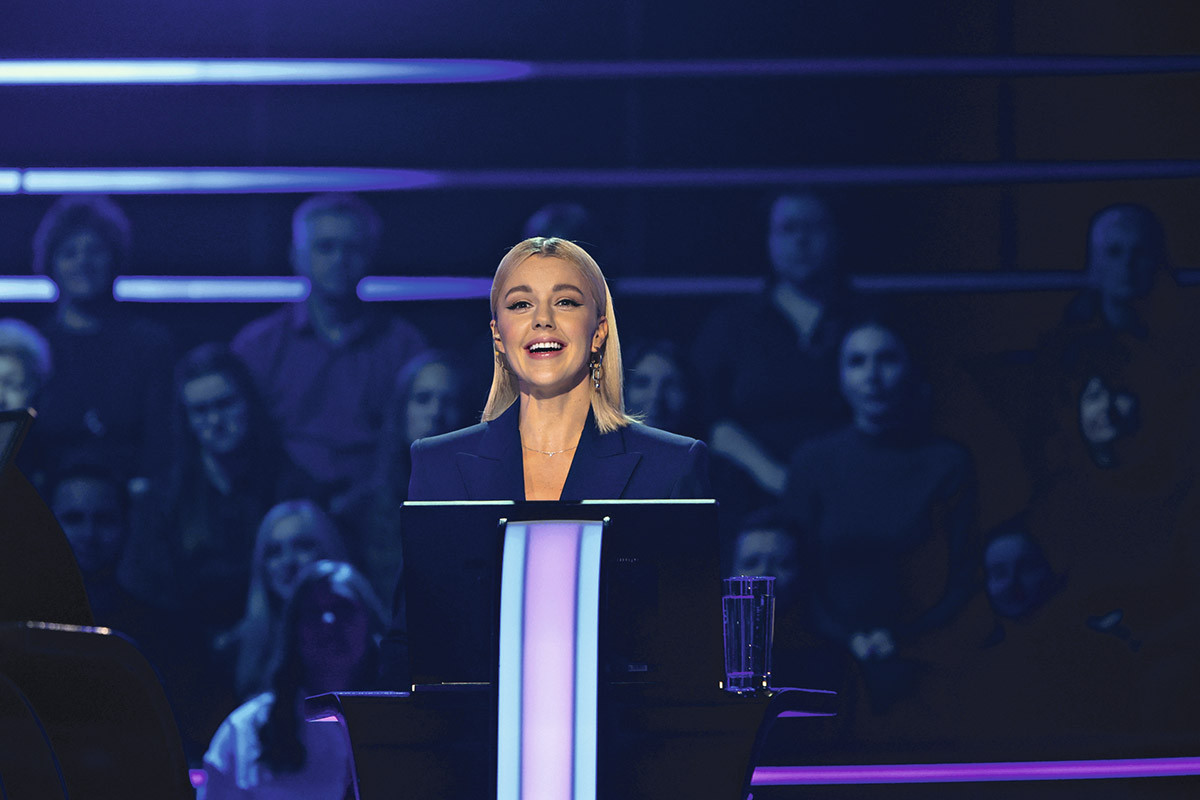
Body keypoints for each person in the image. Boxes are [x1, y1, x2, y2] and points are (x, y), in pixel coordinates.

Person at [406, 237, 710, 502]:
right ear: (498, 335)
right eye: (521, 304)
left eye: (565, 302)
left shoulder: (673, 464)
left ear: (599, 332)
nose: (543, 319)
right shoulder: (436, 465)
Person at [783, 317, 978, 712]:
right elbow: (796, 571)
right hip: (824, 656)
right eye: (857, 362)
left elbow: (965, 575)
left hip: (931, 656)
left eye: (886, 359)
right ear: (839, 376)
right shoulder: (813, 462)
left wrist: (907, 639)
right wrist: (845, 637)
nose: (872, 376)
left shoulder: (948, 462)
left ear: (911, 368)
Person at [231, 193, 428, 504]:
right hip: (282, 504)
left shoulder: (404, 346)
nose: (339, 259)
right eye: (325, 247)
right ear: (296, 256)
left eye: (352, 248)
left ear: (371, 256)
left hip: (382, 507)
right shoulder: (258, 347)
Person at [119, 343, 317, 629]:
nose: (215, 421)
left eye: (225, 404)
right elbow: (144, 593)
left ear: (249, 403)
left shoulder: (292, 488)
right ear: (186, 420)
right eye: (200, 411)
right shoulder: (164, 499)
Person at [200, 560, 386, 800]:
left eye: (343, 608)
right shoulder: (243, 732)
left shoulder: (404, 720)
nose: (328, 620)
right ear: (294, 630)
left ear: (370, 621)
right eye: (313, 612)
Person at [30, 195, 175, 479]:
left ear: (115, 258)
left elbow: (163, 445)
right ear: (51, 264)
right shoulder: (34, 350)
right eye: (69, 253)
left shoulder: (151, 345)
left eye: (95, 250)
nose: (83, 262)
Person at [214, 499, 350, 704]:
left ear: (328, 551)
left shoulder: (360, 635)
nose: (288, 561)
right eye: (274, 552)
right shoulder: (234, 650)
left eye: (302, 546)